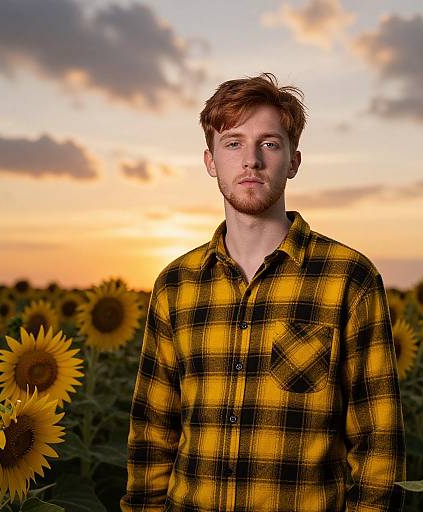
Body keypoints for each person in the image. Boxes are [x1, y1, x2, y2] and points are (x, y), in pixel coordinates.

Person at [120, 72, 406, 512]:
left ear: (293, 161)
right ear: (210, 160)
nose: (250, 160)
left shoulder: (349, 279)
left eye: (269, 143)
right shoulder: (175, 286)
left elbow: (378, 449)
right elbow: (152, 438)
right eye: (233, 142)